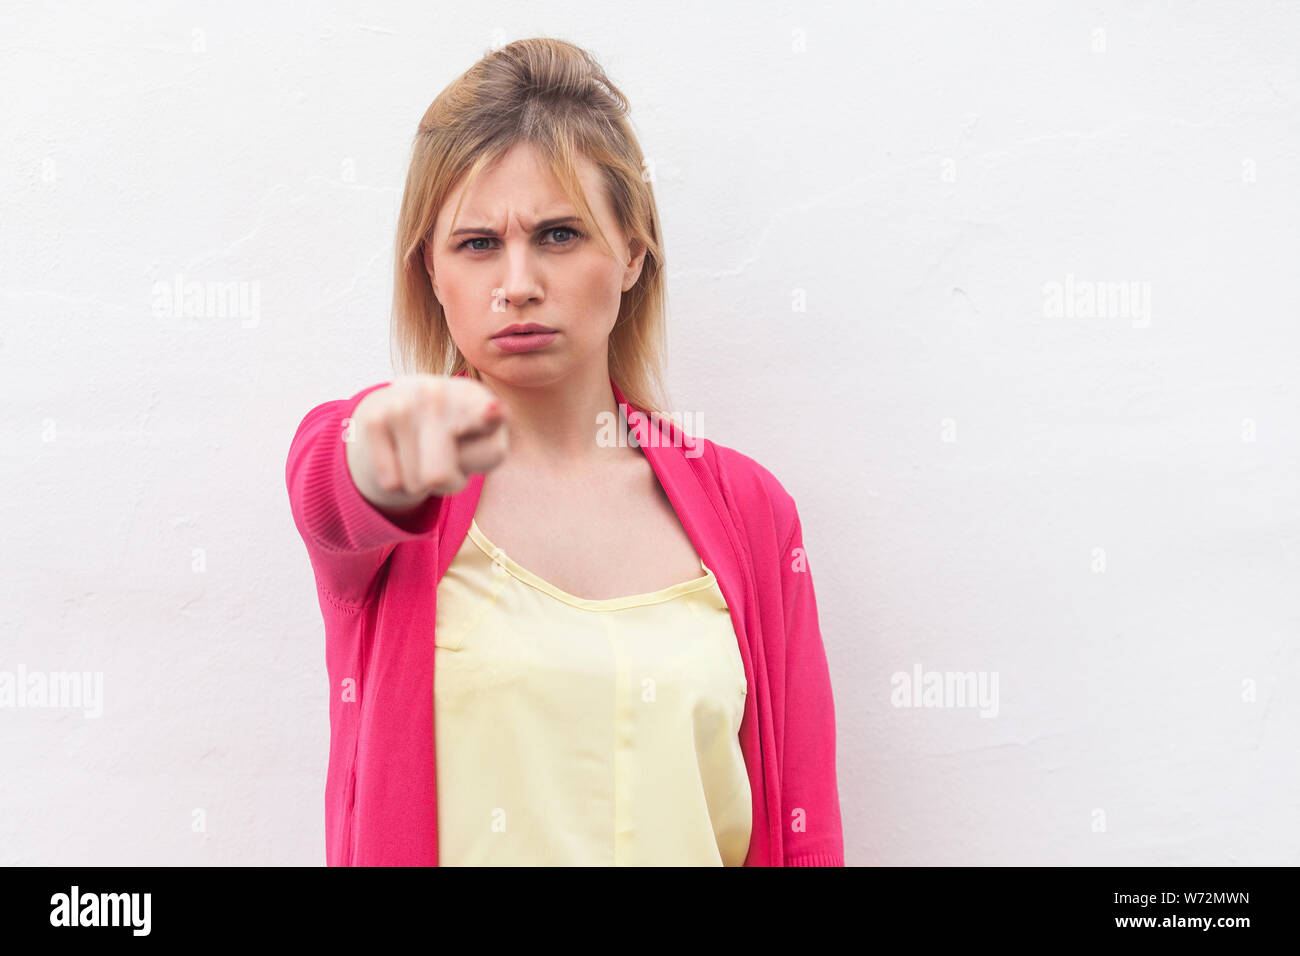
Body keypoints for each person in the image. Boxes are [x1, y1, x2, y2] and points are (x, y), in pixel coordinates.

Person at [286, 36, 844, 866]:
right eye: (476, 244)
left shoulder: (752, 514)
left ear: (631, 254)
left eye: (558, 234)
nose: (517, 282)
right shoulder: (403, 500)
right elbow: (329, 483)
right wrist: (377, 445)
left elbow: (805, 829)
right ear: (431, 274)